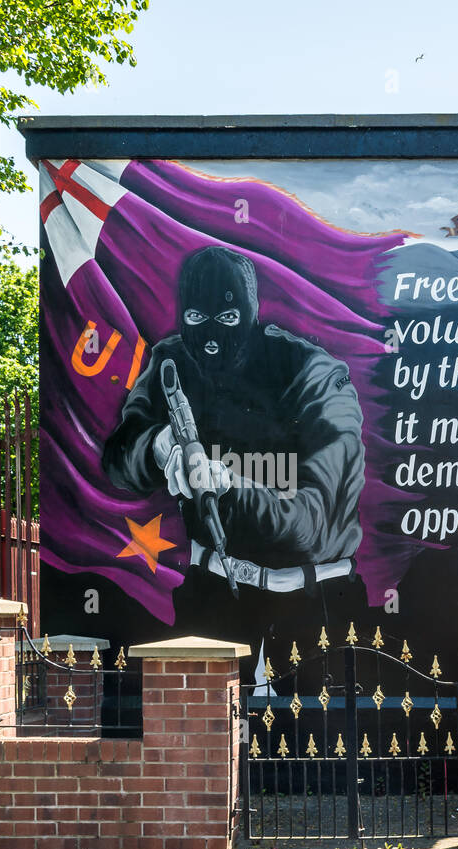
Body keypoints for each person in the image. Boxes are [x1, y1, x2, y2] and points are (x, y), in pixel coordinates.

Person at [102, 245, 369, 662]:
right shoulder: (172, 361)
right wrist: (158, 447)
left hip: (314, 603)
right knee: (197, 721)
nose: (211, 339)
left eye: (227, 318)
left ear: (251, 312)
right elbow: (119, 456)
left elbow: (313, 524)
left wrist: (226, 485)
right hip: (213, 596)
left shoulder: (314, 375)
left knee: (313, 725)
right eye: (196, 319)